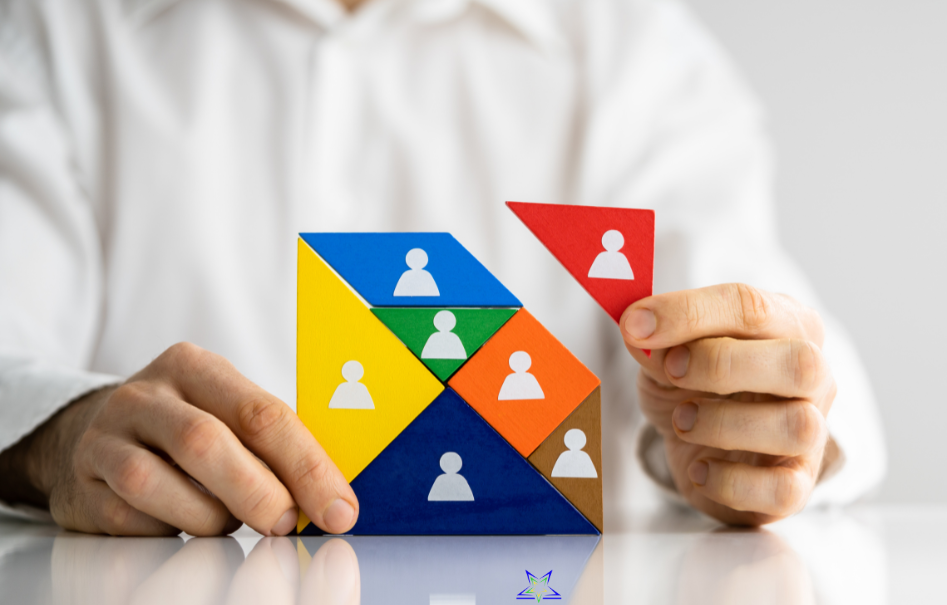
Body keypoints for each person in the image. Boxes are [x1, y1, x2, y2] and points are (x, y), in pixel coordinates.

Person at [0, 0, 886, 536]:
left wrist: (752, 419)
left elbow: (768, 328)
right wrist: (58, 435)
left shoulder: (636, 57)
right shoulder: (54, 29)